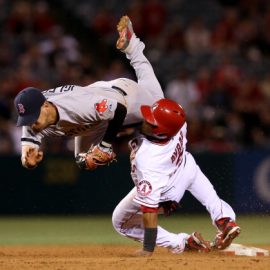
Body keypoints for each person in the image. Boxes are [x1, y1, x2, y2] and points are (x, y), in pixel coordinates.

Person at [13, 16, 164, 170]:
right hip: (96, 105)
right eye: (27, 118)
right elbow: (33, 132)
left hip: (124, 98)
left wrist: (105, 146)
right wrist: (27, 155)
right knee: (84, 162)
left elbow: (119, 109)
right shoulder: (36, 113)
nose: (31, 122)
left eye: (33, 117)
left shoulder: (76, 106)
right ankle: (133, 49)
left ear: (45, 105)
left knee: (160, 112)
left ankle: (133, 48)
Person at [112, 98, 241, 256]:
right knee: (211, 198)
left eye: (150, 121)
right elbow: (150, 122)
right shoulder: (178, 123)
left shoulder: (149, 160)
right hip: (185, 166)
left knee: (120, 221)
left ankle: (182, 243)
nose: (146, 120)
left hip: (166, 190)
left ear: (159, 132)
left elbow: (149, 209)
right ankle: (225, 220)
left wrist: (148, 248)